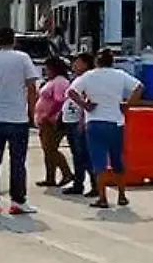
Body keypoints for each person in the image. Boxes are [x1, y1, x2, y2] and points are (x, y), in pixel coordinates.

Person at [67, 48, 144, 209]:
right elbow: (139, 87)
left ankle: (103, 198)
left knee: (98, 162)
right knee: (117, 161)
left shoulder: (89, 76)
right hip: (115, 122)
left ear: (96, 61)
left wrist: (85, 105)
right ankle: (122, 196)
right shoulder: (119, 75)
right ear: (112, 61)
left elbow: (71, 92)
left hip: (95, 122)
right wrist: (128, 104)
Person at [0, 27, 40, 215]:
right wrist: (31, 111)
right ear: (13, 40)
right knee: (17, 161)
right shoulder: (22, 58)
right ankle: (18, 201)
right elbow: (31, 86)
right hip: (17, 117)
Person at [62, 52, 99, 197]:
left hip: (79, 122)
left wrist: (82, 121)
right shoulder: (77, 79)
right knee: (77, 155)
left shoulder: (88, 79)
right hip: (70, 121)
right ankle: (78, 183)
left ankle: (95, 184)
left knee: (85, 155)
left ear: (85, 64)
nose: (74, 65)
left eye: (77, 62)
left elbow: (89, 100)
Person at [35, 56, 74, 188]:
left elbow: (59, 100)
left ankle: (67, 173)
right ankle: (50, 177)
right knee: (47, 149)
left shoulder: (60, 82)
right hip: (44, 120)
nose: (46, 70)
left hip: (53, 121)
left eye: (48, 67)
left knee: (51, 149)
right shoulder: (51, 81)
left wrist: (49, 114)